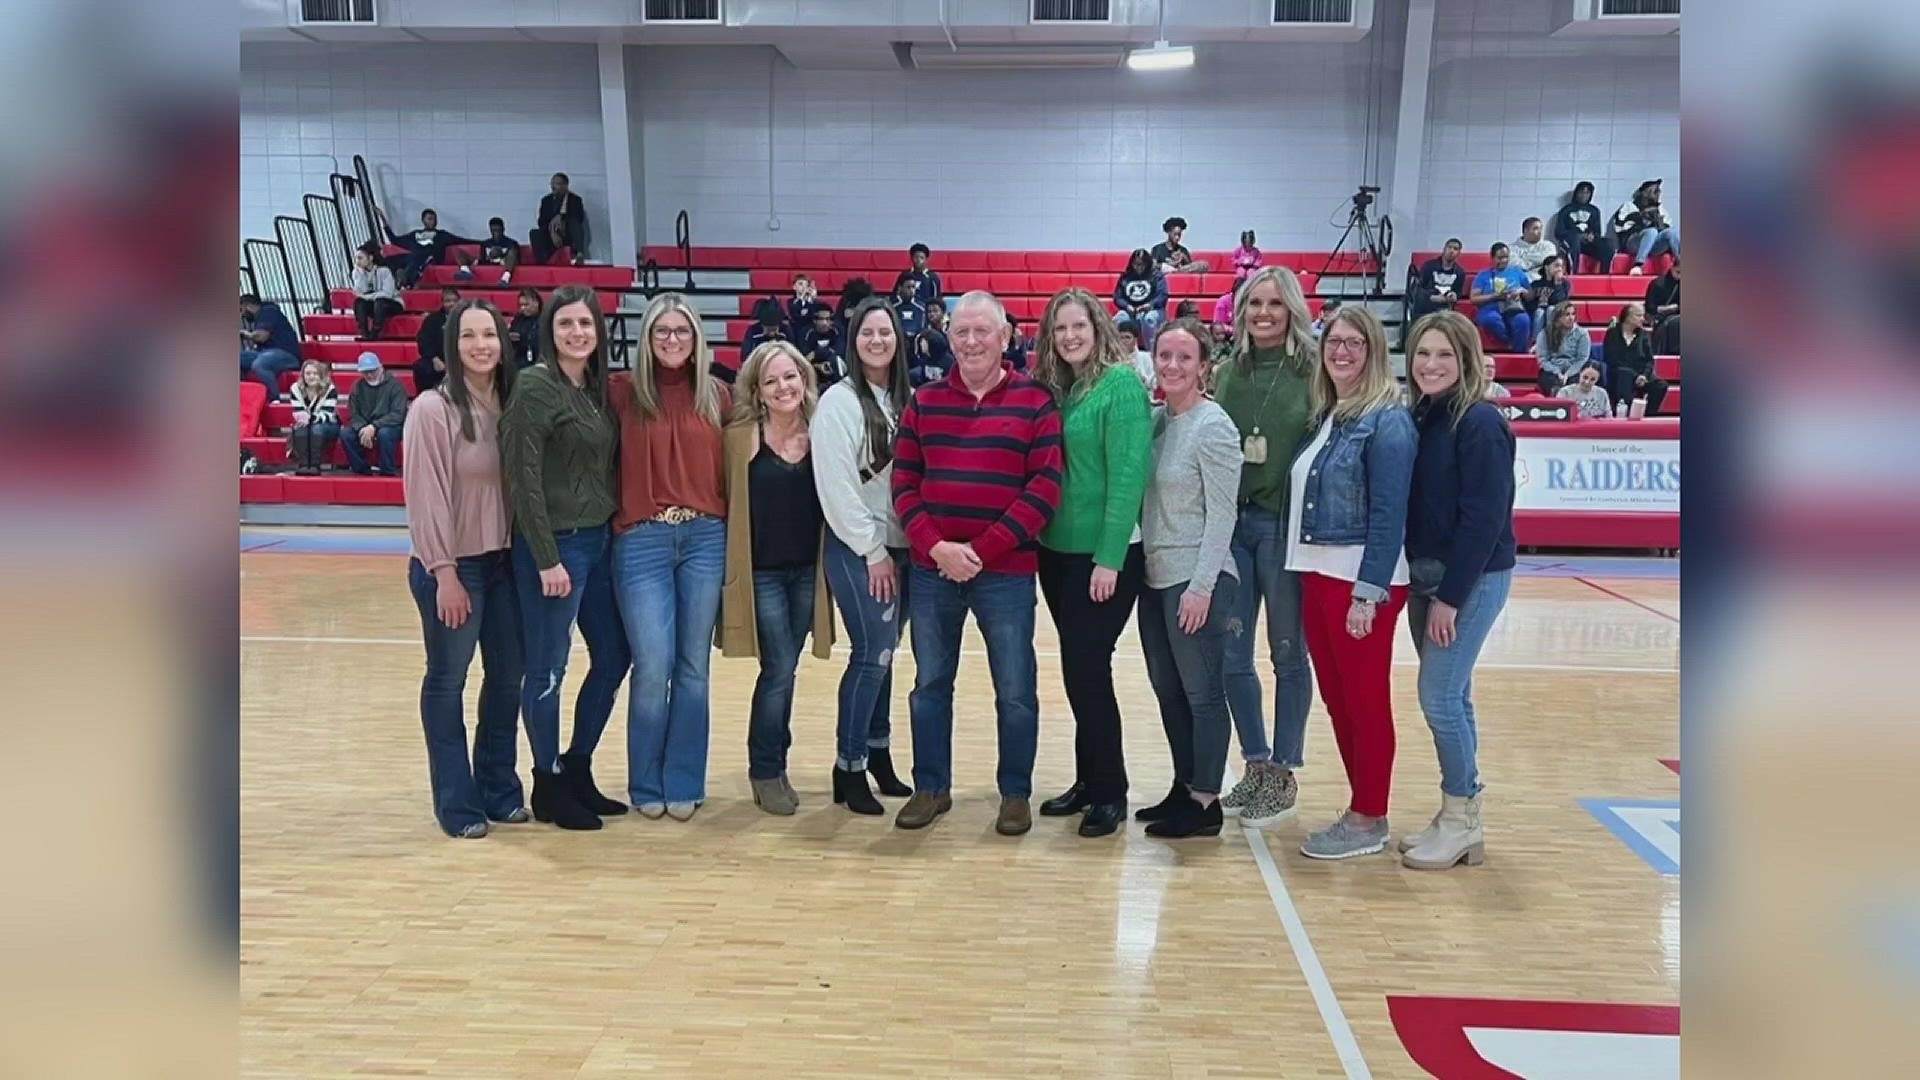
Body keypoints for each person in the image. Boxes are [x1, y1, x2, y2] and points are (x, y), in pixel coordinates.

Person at [891, 291, 1063, 836]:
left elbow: (1043, 490)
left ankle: (1015, 793)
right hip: (933, 570)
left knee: (1014, 689)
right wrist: (938, 547)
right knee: (929, 685)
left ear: (1005, 336)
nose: (969, 342)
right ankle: (930, 787)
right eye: (961, 332)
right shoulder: (924, 401)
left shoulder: (1036, 402)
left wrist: (980, 552)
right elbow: (904, 485)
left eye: (981, 332)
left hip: (1006, 573)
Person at [499, 284, 630, 831]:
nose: (578, 333)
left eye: (586, 324)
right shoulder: (534, 386)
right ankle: (547, 778)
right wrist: (547, 557)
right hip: (553, 547)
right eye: (566, 324)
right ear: (549, 332)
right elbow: (522, 477)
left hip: (598, 541)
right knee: (548, 667)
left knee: (615, 654)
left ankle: (577, 764)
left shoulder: (596, 388)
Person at [1288, 306, 1415, 860]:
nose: (1341, 352)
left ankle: (1370, 816)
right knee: (1340, 702)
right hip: (1318, 573)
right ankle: (1362, 808)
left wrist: (1370, 590)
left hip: (1359, 580)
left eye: (1355, 343)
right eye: (1334, 342)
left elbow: (1390, 512)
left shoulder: (1388, 420)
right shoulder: (1329, 414)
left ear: (1374, 352)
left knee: (1364, 702)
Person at [1031, 288, 1154, 839]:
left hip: (1103, 559)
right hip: (1056, 553)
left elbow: (1129, 476)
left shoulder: (1121, 385)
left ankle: (1111, 791)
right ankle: (1088, 781)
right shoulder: (1065, 389)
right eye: (1059, 330)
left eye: (1077, 326)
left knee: (1088, 672)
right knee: (1079, 675)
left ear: (1098, 327)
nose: (1069, 337)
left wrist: (1108, 559)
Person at [403, 298, 525, 838]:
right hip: (453, 567)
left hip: (505, 564)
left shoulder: (511, 402)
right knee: (448, 681)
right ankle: (457, 804)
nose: (481, 345)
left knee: (506, 680)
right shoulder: (432, 408)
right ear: (452, 346)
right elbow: (424, 497)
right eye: (469, 336)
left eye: (490, 335)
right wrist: (444, 572)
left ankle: (499, 789)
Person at [608, 292, 731, 820]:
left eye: (682, 331)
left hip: (705, 538)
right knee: (652, 664)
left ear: (697, 338)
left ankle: (684, 778)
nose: (673, 340)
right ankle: (645, 781)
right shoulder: (622, 392)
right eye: (662, 332)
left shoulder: (720, 397)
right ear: (647, 339)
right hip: (642, 541)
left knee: (693, 667)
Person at [1401, 310, 1517, 870]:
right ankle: (1459, 813)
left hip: (1468, 580)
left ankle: (1462, 817)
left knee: (1440, 698)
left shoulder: (1481, 423)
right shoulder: (1423, 417)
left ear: (1466, 359)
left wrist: (1449, 597)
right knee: (1455, 696)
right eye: (1423, 354)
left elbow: (1484, 520)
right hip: (1427, 577)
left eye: (1444, 354)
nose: (1431, 364)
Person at [1210, 266, 1318, 828]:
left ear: (1292, 309)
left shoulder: (1313, 372)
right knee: (1232, 652)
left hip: (1282, 529)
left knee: (1285, 651)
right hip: (1233, 528)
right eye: (1255, 302)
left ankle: (1284, 769)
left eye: (1275, 303)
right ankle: (1254, 764)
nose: (1264, 313)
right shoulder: (1229, 372)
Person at [1134, 317, 1244, 839]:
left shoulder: (1214, 425)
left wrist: (1202, 586)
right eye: (1164, 356)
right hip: (1154, 576)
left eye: (1184, 357)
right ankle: (1184, 786)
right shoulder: (1157, 421)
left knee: (1202, 694)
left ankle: (1206, 802)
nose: (1172, 366)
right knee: (1167, 690)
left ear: (1204, 366)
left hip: (1195, 578)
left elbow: (1224, 515)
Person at [719, 341, 835, 816]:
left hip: (808, 571)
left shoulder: (822, 432)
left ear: (804, 379)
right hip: (762, 574)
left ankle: (776, 764)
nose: (783, 387)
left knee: (786, 670)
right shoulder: (739, 437)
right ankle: (765, 768)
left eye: (790, 377)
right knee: (778, 667)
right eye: (771, 381)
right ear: (758, 391)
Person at [812, 297, 917, 814]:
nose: (877, 341)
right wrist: (873, 551)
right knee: (871, 653)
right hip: (861, 547)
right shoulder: (839, 400)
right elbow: (836, 489)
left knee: (887, 656)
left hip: (904, 546)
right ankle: (847, 765)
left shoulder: (906, 397)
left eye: (886, 332)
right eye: (867, 333)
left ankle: (877, 751)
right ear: (853, 341)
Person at [343, 351, 407, 476]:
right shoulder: (357, 386)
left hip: (390, 425)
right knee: (346, 434)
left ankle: (387, 470)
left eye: (373, 371)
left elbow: (398, 414)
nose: (370, 375)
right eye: (366, 372)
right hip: (366, 424)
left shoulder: (396, 385)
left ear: (380, 368)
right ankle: (361, 469)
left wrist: (374, 426)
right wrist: (363, 428)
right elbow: (353, 412)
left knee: (385, 434)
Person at [381, 207, 472, 288]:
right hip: (414, 257)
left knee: (419, 257)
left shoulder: (442, 235)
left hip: (430, 257)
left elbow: (462, 240)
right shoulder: (415, 234)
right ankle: (398, 278)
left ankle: (406, 280)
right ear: (423, 220)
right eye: (429, 219)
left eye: (434, 219)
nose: (433, 221)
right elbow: (395, 240)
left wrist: (483, 243)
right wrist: (383, 220)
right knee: (389, 259)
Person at [1604, 303, 1667, 416]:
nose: (1642, 319)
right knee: (1625, 374)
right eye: (1638, 315)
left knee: (1660, 385)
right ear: (1628, 317)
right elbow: (1612, 359)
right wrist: (1635, 376)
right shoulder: (1613, 333)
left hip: (1641, 374)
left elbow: (1649, 360)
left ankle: (1648, 415)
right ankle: (1625, 414)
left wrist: (1645, 375)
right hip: (1620, 373)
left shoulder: (1643, 334)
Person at [1470, 243, 1534, 353]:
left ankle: (1519, 356)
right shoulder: (1484, 275)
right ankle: (1510, 343)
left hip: (1512, 306)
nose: (1504, 260)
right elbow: (1474, 299)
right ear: (1492, 258)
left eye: (1506, 257)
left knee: (1523, 320)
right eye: (1500, 258)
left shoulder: (1517, 272)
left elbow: (1530, 296)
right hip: (1490, 308)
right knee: (1490, 320)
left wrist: (1521, 291)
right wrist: (1494, 296)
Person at [240, 293, 303, 400]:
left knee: (260, 364)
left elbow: (261, 337)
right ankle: (243, 397)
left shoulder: (268, 311)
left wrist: (245, 334)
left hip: (286, 355)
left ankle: (273, 400)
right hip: (265, 353)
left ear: (248, 306)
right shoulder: (259, 317)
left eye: (241, 310)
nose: (242, 315)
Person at [285, 359, 340, 475]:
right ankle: (303, 465)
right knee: (300, 429)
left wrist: (309, 418)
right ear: (303, 375)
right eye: (308, 374)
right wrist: (304, 419)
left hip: (329, 423)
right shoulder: (295, 388)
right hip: (306, 421)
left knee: (317, 429)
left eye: (315, 374)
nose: (311, 377)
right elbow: (298, 412)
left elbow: (327, 415)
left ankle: (315, 465)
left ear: (321, 375)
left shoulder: (330, 389)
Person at [1614, 178, 1679, 275]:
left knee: (1673, 231)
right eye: (1655, 191)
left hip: (1653, 245)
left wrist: (1658, 222)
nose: (1658, 194)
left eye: (1659, 191)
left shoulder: (1660, 209)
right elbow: (1619, 227)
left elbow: (1667, 230)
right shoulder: (1629, 206)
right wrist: (1640, 218)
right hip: (1633, 243)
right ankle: (1638, 265)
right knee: (1651, 231)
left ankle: (1680, 263)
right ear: (1644, 193)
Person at [1553, 181, 1616, 274]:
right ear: (1576, 193)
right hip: (1570, 242)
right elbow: (1559, 232)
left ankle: (1604, 275)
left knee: (1608, 243)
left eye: (1587, 193)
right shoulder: (1566, 210)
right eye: (1581, 192)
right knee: (1575, 239)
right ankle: (1573, 273)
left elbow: (1597, 232)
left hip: (1588, 244)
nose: (1583, 195)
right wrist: (1578, 236)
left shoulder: (1594, 210)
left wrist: (1592, 236)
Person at [1534, 301, 1595, 396]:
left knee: (1580, 379)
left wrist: (1568, 374)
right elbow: (1543, 360)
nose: (1571, 318)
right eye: (1567, 315)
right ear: (1558, 318)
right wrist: (1557, 372)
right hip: (1552, 370)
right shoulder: (1545, 334)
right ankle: (1556, 401)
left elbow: (1582, 359)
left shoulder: (1582, 333)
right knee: (1548, 378)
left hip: (1574, 369)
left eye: (1573, 314)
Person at [1113, 248, 1168, 346]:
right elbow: (1118, 297)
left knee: (1149, 319)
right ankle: (1121, 352)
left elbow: (1162, 296)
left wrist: (1149, 305)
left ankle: (1151, 353)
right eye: (1135, 264)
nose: (1138, 267)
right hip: (1130, 310)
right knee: (1118, 319)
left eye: (1141, 264)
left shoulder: (1156, 276)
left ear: (1147, 264)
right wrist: (1127, 306)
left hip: (1153, 310)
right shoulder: (1125, 277)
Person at [532, 172, 587, 265]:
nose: (553, 186)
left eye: (557, 184)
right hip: (551, 234)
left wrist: (561, 217)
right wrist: (553, 231)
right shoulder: (546, 200)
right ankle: (542, 261)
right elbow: (541, 221)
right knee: (535, 233)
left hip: (567, 232)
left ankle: (579, 255)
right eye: (552, 184)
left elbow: (579, 218)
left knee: (575, 224)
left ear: (565, 185)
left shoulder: (575, 200)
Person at [413, 287, 460, 394]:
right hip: (438, 359)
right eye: (448, 301)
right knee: (421, 367)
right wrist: (434, 358)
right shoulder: (432, 320)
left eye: (454, 301)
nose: (452, 304)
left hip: (461, 360)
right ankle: (424, 398)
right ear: (442, 303)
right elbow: (423, 341)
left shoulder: (467, 318)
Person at [350, 247, 402, 340]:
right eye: (356, 258)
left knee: (380, 301)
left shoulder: (384, 271)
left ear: (370, 258)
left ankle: (375, 333)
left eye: (360, 258)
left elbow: (388, 294)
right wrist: (361, 274)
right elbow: (360, 292)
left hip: (392, 304)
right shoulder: (357, 272)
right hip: (375, 306)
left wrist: (368, 297)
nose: (357, 261)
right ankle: (364, 334)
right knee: (359, 303)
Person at [1410, 239, 1468, 321]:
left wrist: (1454, 295)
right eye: (1449, 247)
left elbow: (1458, 293)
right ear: (1444, 249)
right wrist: (1431, 297)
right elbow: (1417, 289)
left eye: (1455, 249)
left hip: (1445, 309)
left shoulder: (1460, 272)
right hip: (1426, 307)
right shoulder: (1429, 266)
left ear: (1459, 253)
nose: (1451, 251)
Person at [454, 217, 522, 283]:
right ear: (490, 230)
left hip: (505, 264)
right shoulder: (485, 243)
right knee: (459, 252)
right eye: (493, 231)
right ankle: (465, 270)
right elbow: (483, 259)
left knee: (512, 252)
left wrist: (500, 254)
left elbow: (517, 261)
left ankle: (505, 278)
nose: (496, 233)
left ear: (503, 229)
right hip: (488, 262)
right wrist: (490, 256)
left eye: (498, 231)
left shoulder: (512, 243)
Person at [739, 296, 790, 373]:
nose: (772, 333)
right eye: (769, 330)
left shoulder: (786, 330)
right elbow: (745, 357)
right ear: (762, 325)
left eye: (774, 329)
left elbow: (794, 354)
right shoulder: (753, 331)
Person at [910, 298, 953, 387]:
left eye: (935, 311)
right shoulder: (921, 334)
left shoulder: (951, 332)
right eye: (929, 312)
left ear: (943, 312)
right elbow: (916, 357)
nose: (932, 314)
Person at [1645, 257, 1681, 354]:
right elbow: (1649, 307)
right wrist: (1667, 309)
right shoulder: (1658, 283)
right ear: (1672, 267)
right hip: (1661, 320)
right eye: (1678, 272)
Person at [802, 305, 845, 387]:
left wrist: (816, 353)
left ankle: (840, 388)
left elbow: (839, 352)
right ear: (814, 320)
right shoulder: (806, 333)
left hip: (832, 365)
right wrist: (818, 366)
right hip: (814, 367)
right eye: (821, 319)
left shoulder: (837, 330)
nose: (825, 323)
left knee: (836, 360)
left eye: (828, 319)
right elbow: (806, 357)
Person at [1526, 255, 1571, 326]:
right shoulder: (1536, 284)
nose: (1560, 269)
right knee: (1539, 312)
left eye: (1561, 267)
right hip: (1538, 315)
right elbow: (1529, 304)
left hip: (1558, 316)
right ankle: (1537, 337)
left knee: (1551, 309)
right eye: (1557, 266)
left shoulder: (1564, 284)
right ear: (1546, 267)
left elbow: (1559, 302)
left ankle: (1551, 336)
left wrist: (1557, 283)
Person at [893, 243, 942, 307]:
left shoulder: (933, 277)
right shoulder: (904, 275)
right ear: (911, 258)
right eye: (916, 257)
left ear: (926, 259)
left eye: (921, 258)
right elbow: (896, 295)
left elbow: (937, 299)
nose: (918, 260)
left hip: (926, 310)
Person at [508, 288, 542, 369]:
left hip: (540, 362)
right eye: (521, 305)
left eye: (526, 305)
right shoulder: (517, 319)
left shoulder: (546, 319)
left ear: (536, 302)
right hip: (519, 362)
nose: (523, 308)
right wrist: (509, 337)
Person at [788, 274, 828, 339]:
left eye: (806, 285)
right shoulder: (790, 302)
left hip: (810, 334)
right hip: (795, 333)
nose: (804, 287)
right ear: (794, 287)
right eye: (800, 284)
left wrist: (813, 299)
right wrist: (802, 298)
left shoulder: (813, 302)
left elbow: (814, 316)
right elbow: (796, 316)